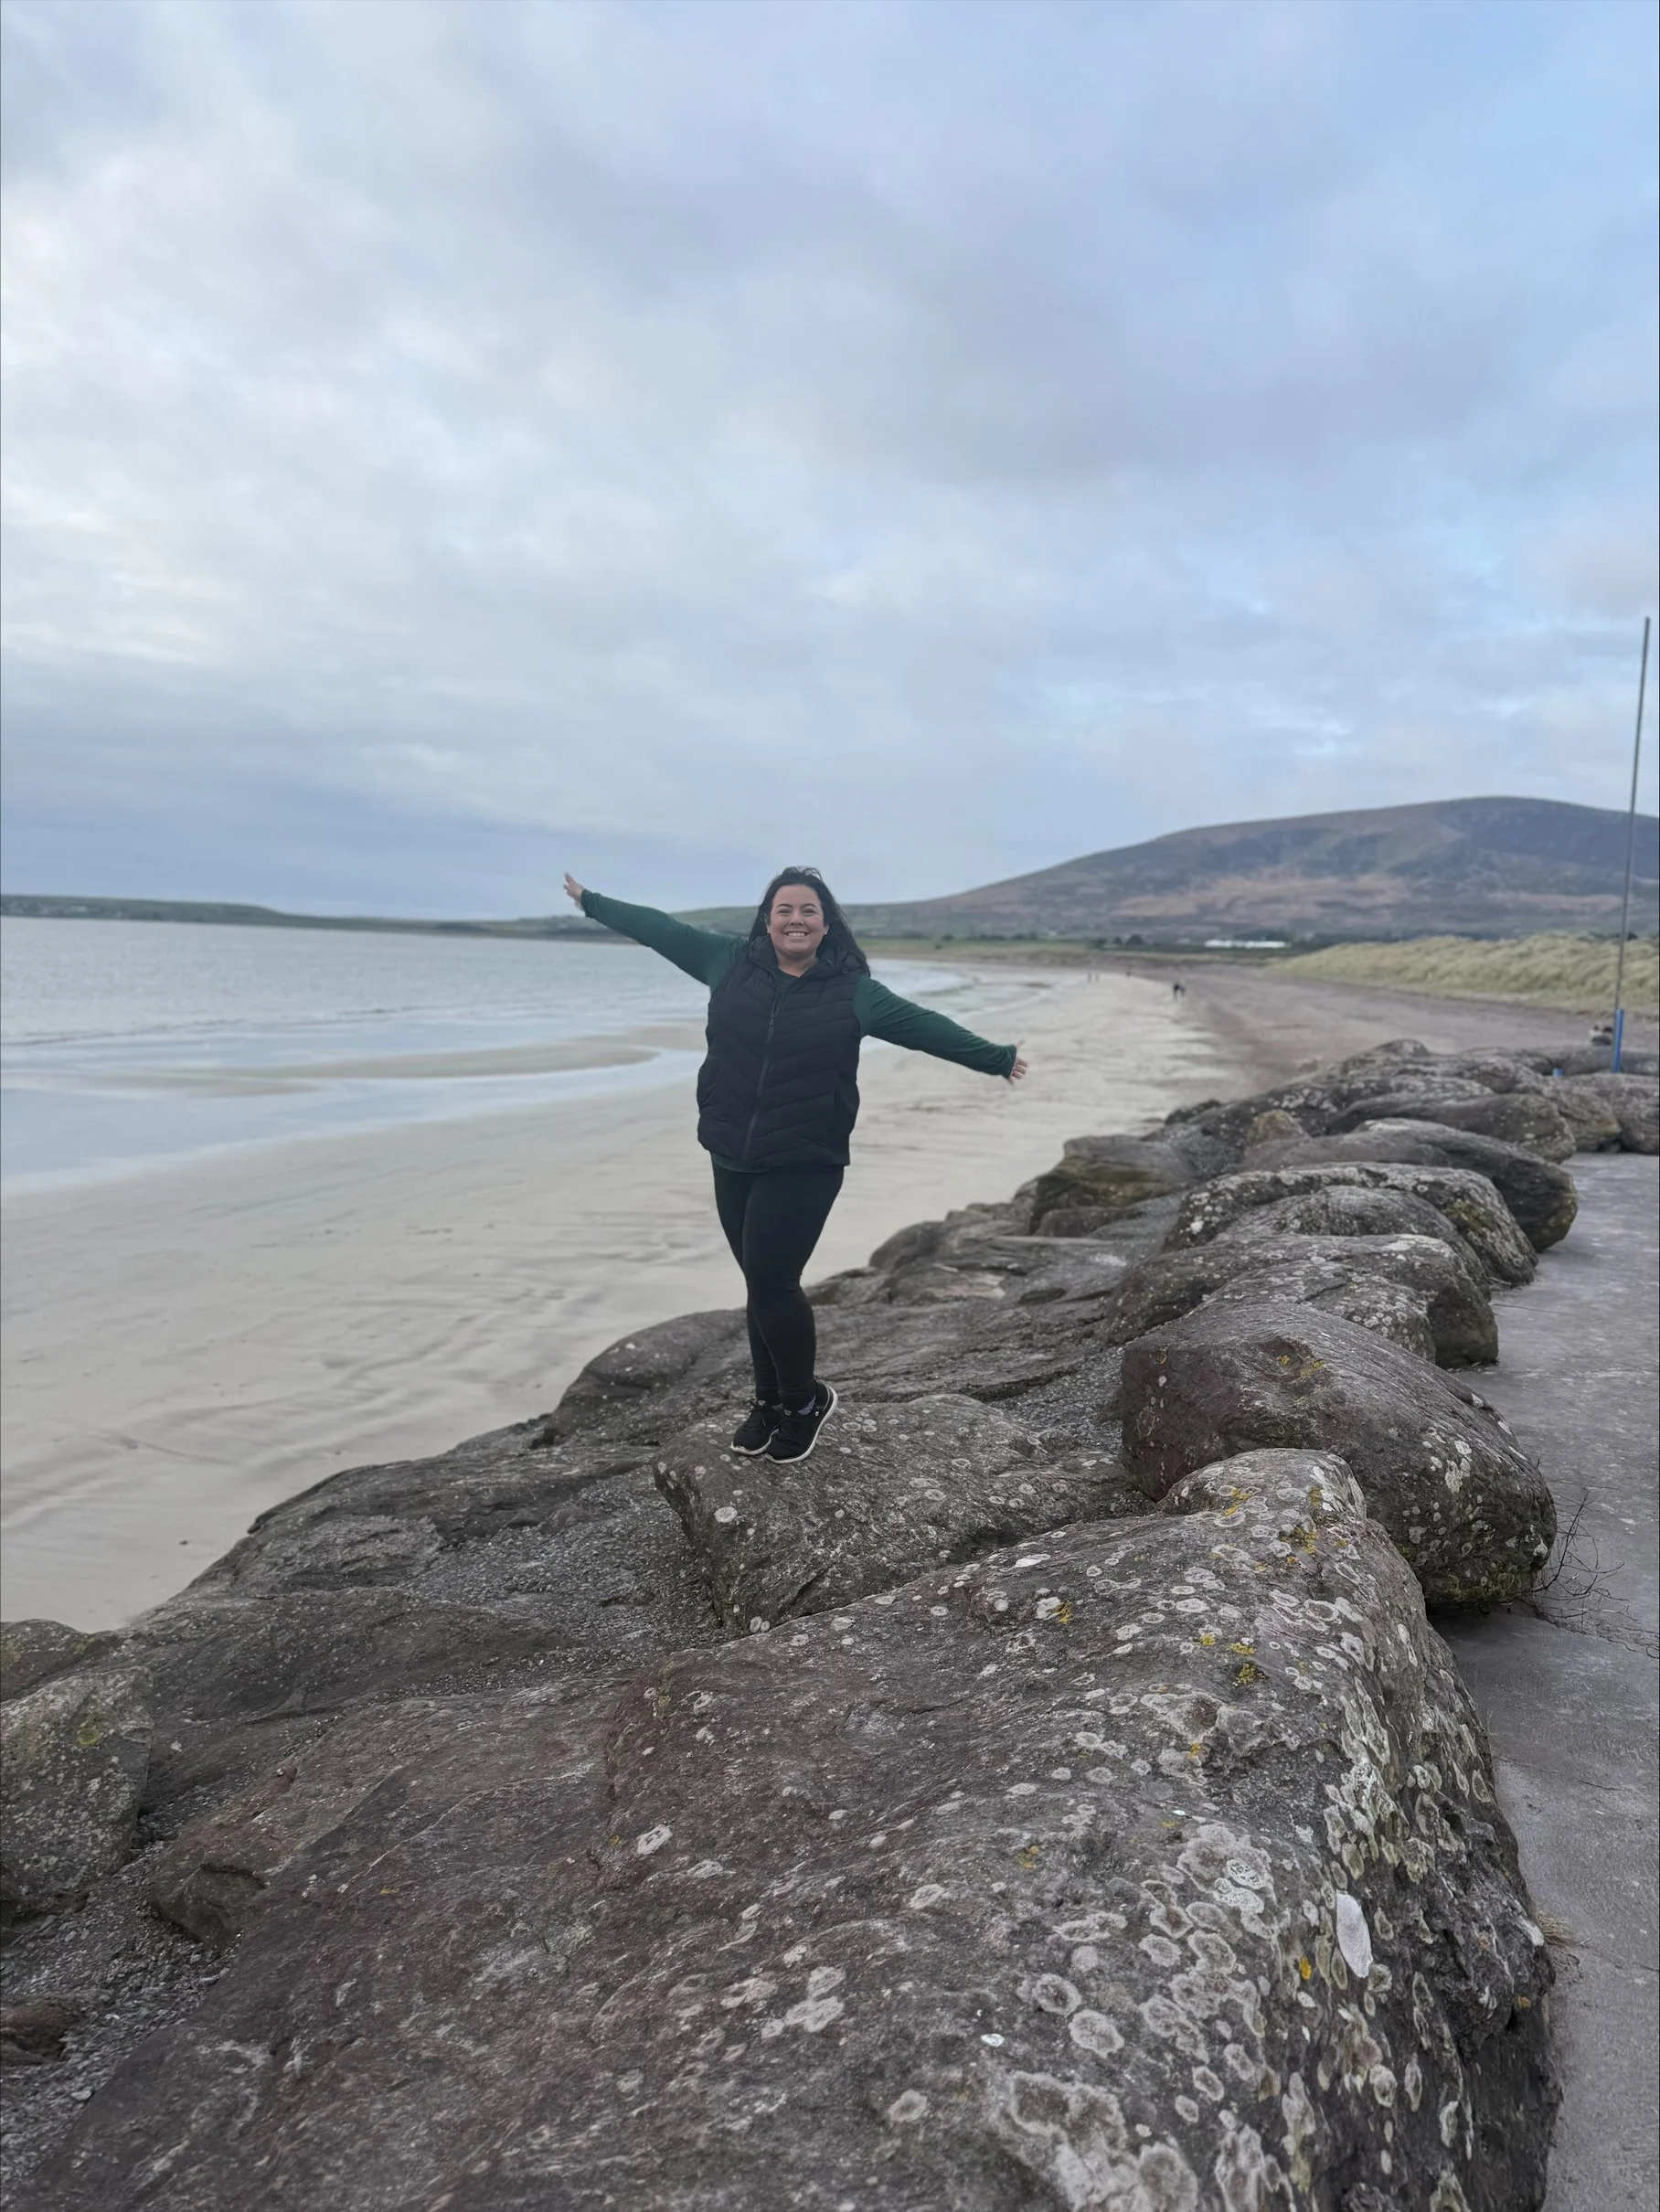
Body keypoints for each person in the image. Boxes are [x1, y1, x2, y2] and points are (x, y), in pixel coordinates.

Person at [562, 866, 1027, 1464]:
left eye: (809, 910)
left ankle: (806, 1401)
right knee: (760, 1283)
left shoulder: (852, 990)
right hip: (732, 1152)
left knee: (773, 1281)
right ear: (768, 919)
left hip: (805, 1159)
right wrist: (594, 902)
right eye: (785, 909)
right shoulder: (726, 961)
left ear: (825, 924)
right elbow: (660, 929)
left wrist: (996, 1058)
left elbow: (924, 1028)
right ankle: (769, 1402)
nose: (796, 920)